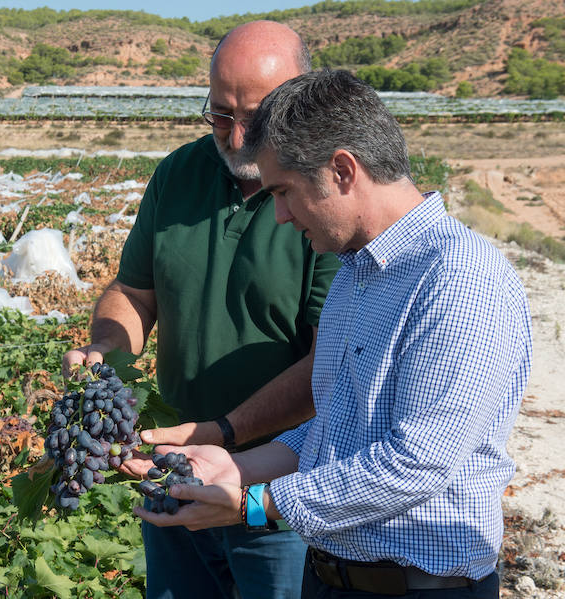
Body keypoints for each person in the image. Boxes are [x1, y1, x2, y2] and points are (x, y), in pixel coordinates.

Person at [135, 69, 533, 598]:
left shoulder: (460, 279)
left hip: (419, 588)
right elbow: (336, 430)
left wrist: (255, 504)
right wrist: (235, 464)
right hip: (329, 579)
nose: (279, 215)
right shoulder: (356, 274)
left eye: (284, 192)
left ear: (343, 170)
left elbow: (416, 464)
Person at [63, 21, 340, 599]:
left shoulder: (322, 199)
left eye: (256, 118)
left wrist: (224, 432)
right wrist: (106, 348)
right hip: (170, 466)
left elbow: (330, 365)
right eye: (219, 115)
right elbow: (134, 292)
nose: (236, 138)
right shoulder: (178, 175)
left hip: (276, 479)